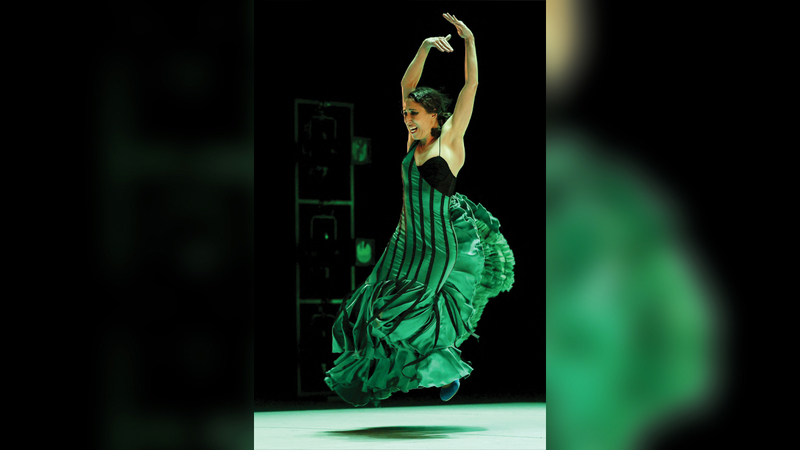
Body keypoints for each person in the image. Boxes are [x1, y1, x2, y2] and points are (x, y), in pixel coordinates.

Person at [324, 13, 515, 407]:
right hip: (403, 238)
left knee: (406, 312)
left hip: (437, 247)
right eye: (405, 114)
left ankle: (446, 366)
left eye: (414, 113)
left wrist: (470, 41)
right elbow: (405, 85)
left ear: (434, 116)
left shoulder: (450, 142)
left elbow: (471, 85)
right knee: (374, 307)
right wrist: (425, 46)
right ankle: (408, 370)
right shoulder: (413, 143)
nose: (408, 118)